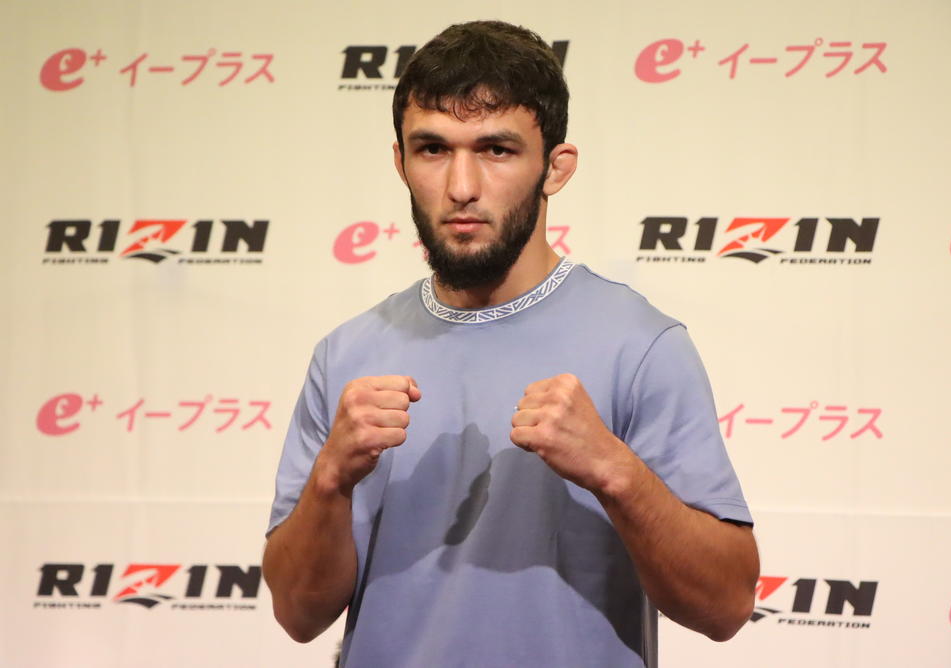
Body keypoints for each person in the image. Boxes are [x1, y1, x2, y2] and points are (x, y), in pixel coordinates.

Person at [263, 20, 759, 668]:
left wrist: (615, 471)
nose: (461, 186)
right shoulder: (347, 354)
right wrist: (330, 478)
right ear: (401, 162)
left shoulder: (642, 346)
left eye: (496, 149)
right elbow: (297, 614)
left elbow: (725, 605)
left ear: (556, 167)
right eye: (433, 149)